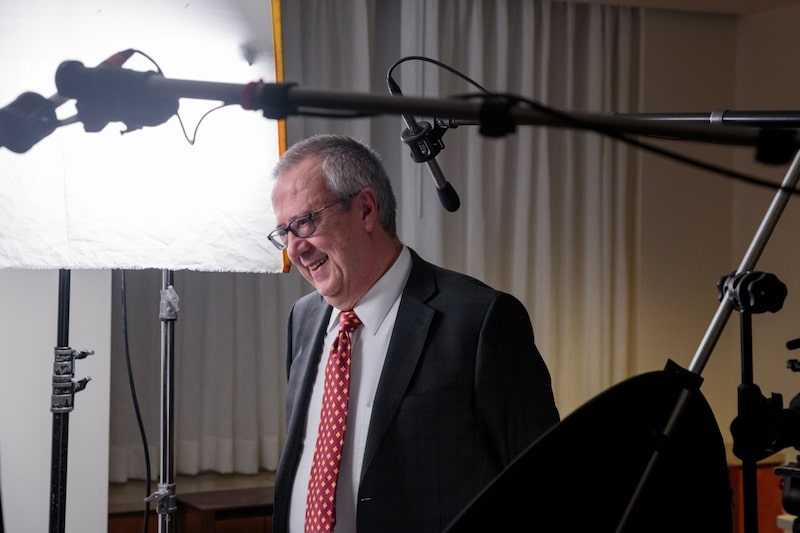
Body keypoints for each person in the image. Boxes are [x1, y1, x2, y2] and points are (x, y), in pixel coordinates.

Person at [268, 134, 559, 533]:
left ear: (366, 209)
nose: (295, 248)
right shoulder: (302, 319)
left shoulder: (480, 320)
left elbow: (542, 486)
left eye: (304, 222)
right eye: (283, 232)